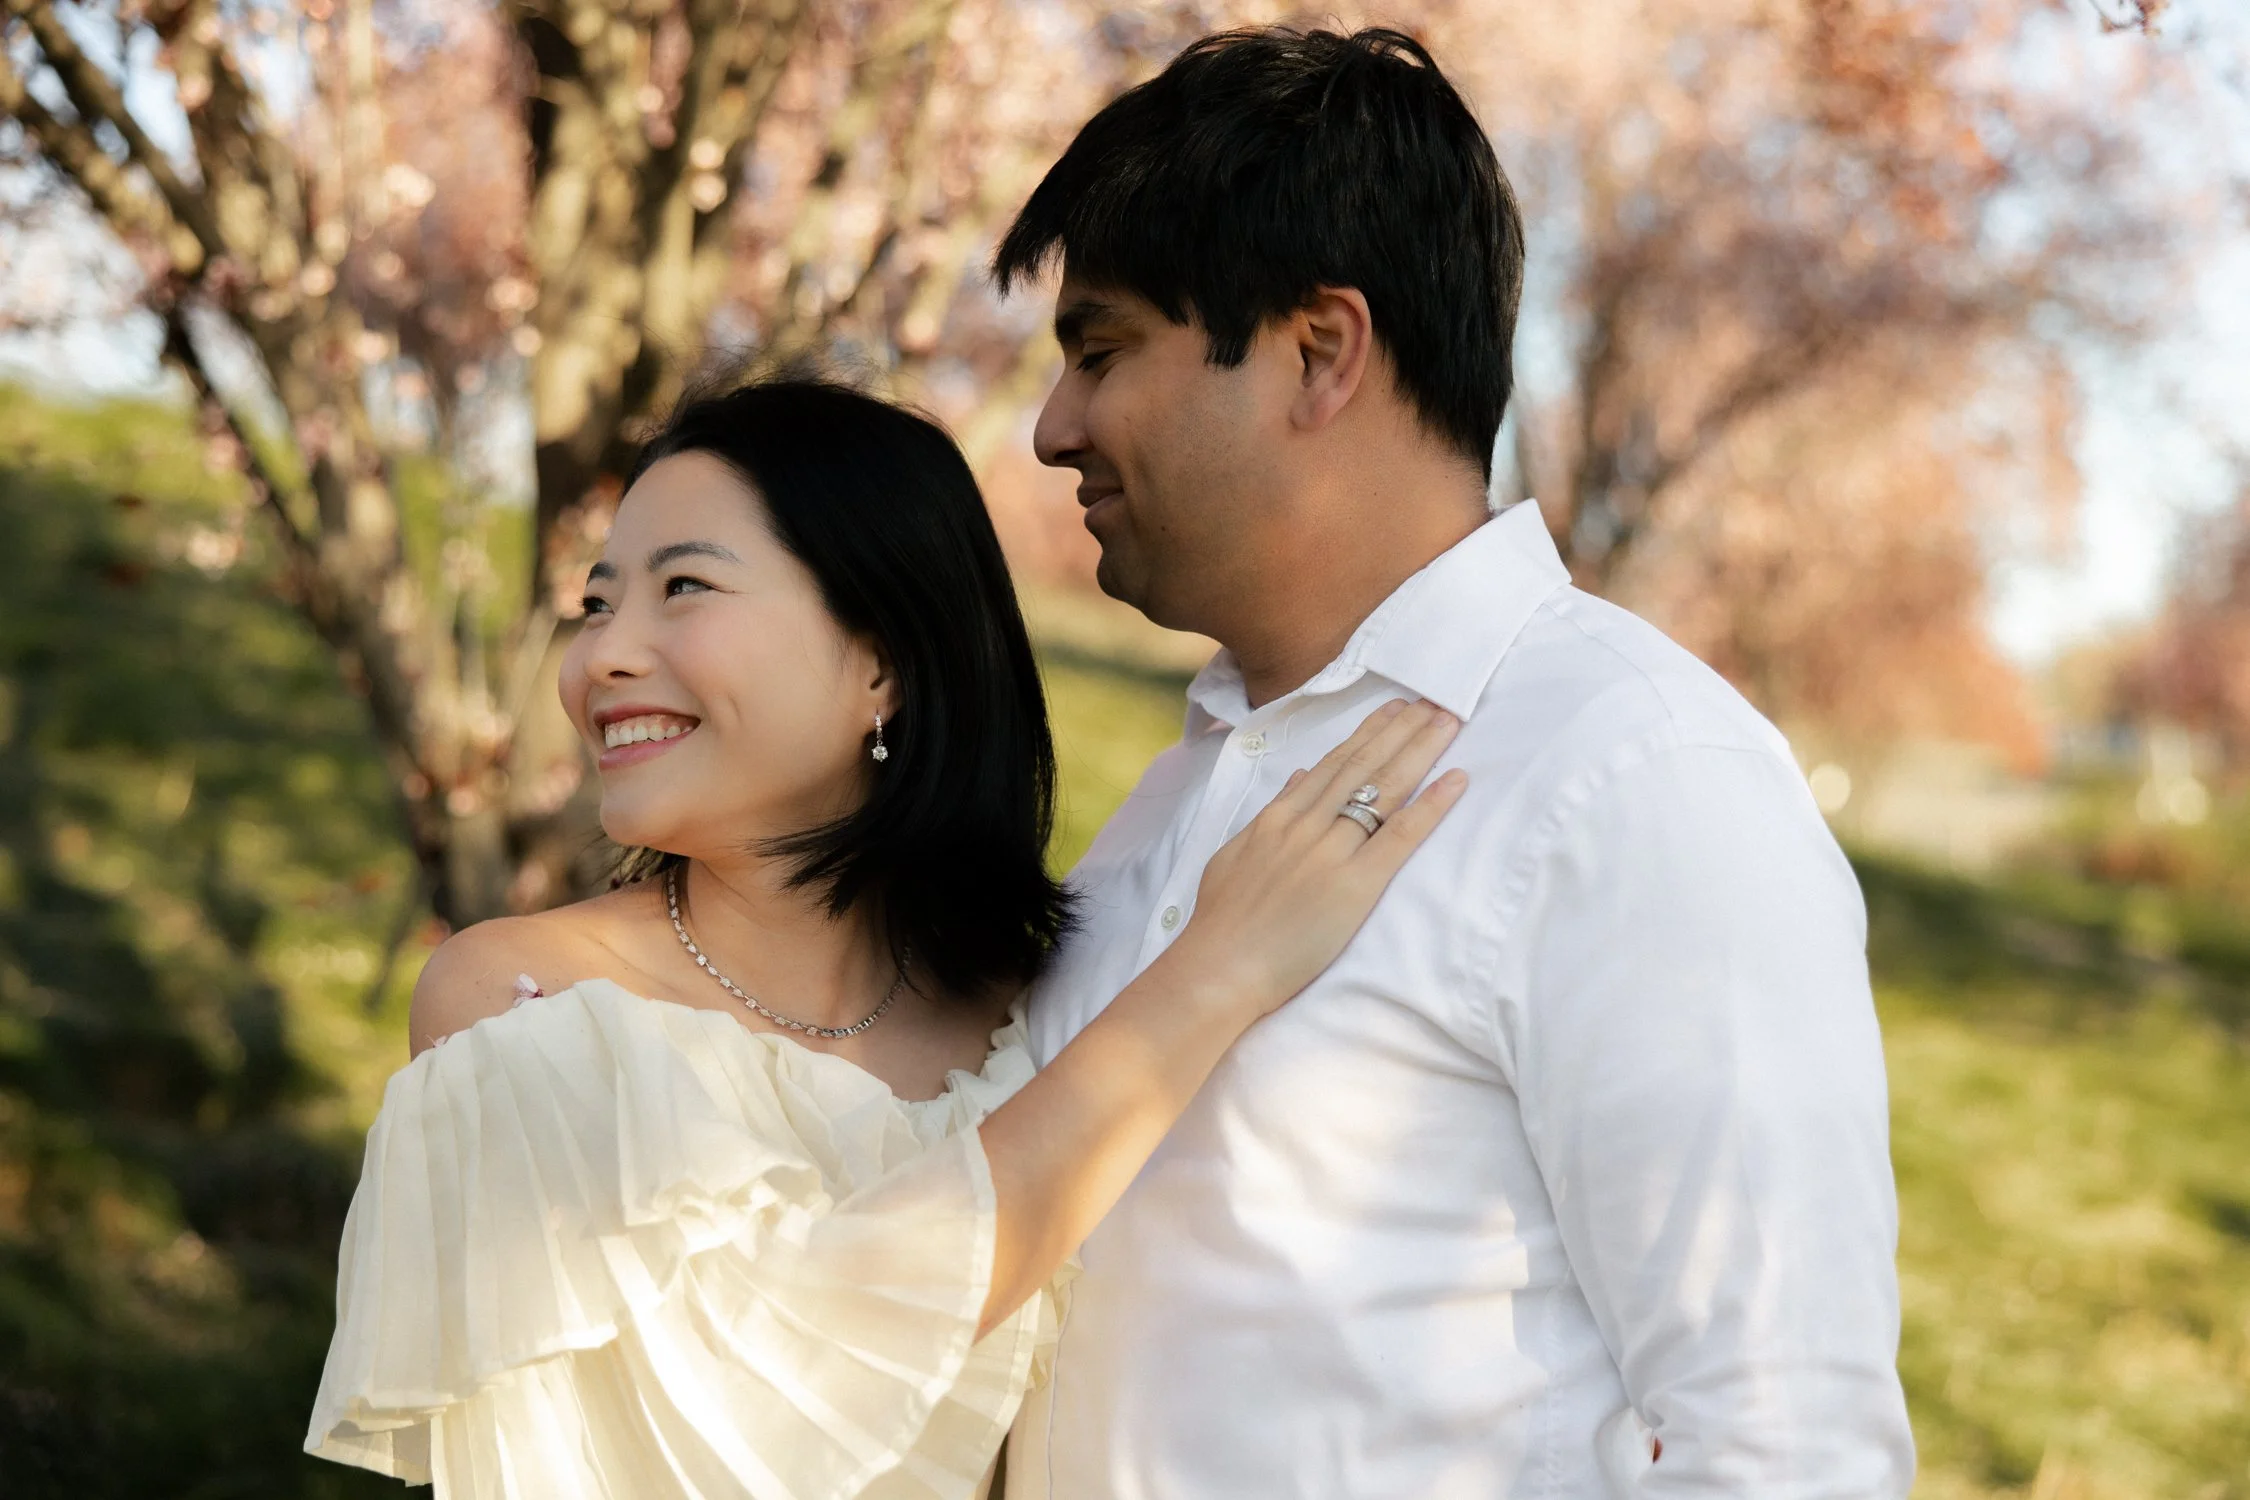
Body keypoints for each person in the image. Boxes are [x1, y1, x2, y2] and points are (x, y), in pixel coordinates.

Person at [991, 25, 1916, 1499]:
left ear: (1317, 351)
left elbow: (1779, 1448)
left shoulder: (1634, 776)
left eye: (1100, 353)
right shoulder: (1164, 810)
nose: (1054, 430)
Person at [302, 376, 1468, 1499]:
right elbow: (782, 1391)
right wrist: (1215, 974)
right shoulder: (516, 1005)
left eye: (685, 589)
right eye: (598, 602)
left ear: (886, 662)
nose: (601, 654)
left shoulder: (1030, 1010)